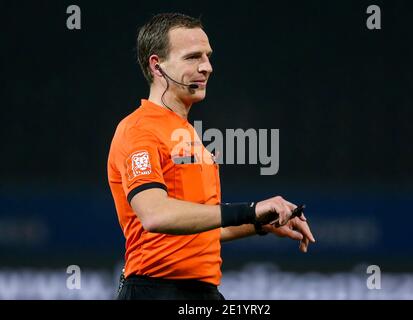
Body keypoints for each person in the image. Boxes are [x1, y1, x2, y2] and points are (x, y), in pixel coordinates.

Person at [107, 12, 316, 300]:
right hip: (156, 289)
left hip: (200, 292)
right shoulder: (139, 129)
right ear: (157, 66)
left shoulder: (188, 135)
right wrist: (251, 209)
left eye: (207, 56)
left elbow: (202, 229)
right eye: (193, 57)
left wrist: (259, 223)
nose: (207, 67)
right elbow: (155, 215)